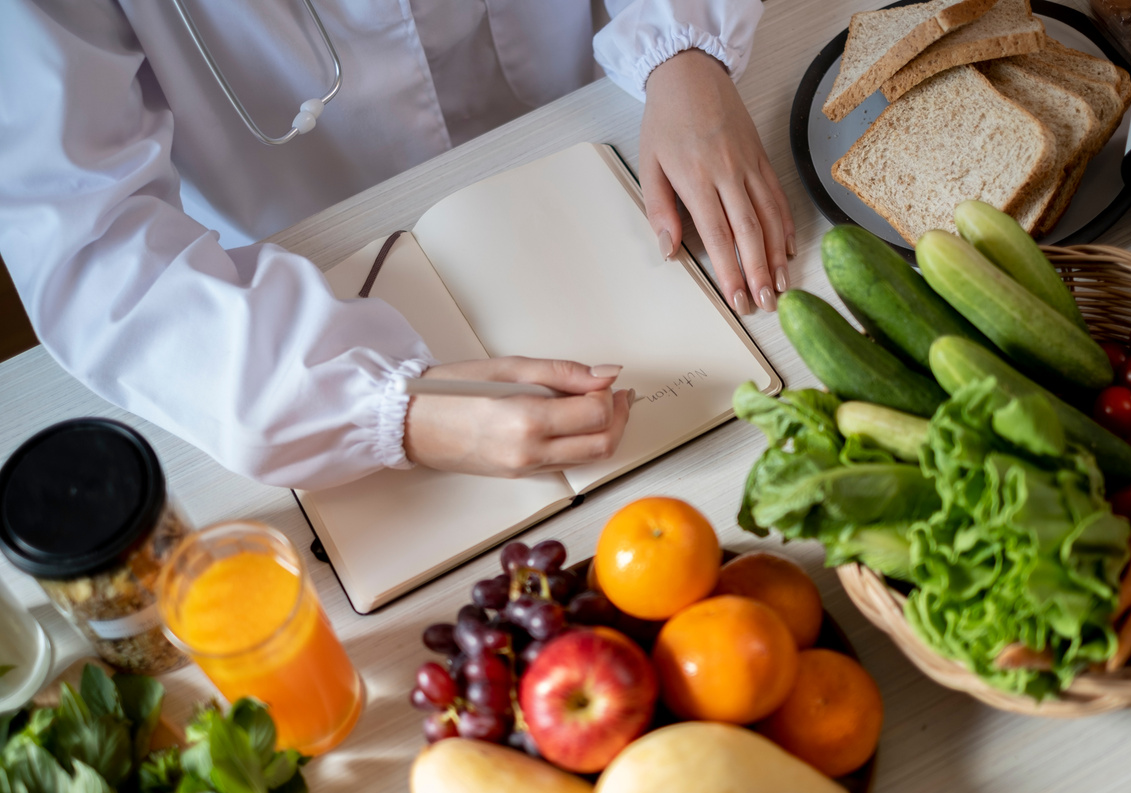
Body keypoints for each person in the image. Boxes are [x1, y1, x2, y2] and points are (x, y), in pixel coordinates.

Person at [0, 0, 794, 490]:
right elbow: (86, 242)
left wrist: (685, 43)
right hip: (298, 280)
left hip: (608, 111)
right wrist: (375, 413)